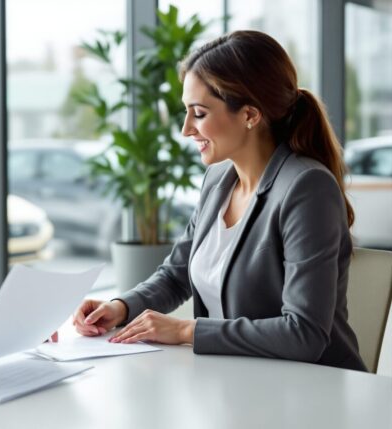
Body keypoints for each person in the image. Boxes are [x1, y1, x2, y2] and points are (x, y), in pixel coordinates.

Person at [73, 30, 366, 371]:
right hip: (237, 376)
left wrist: (185, 330)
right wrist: (120, 307)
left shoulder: (306, 187)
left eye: (198, 113)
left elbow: (304, 333)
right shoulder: (218, 180)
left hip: (314, 385)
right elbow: (176, 275)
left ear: (250, 115)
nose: (186, 129)